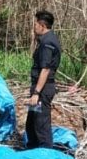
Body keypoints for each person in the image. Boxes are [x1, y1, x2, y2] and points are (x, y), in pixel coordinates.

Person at [25, 10, 61, 149]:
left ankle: (46, 157)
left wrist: (36, 93)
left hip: (42, 90)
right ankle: (32, 154)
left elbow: (45, 69)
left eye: (35, 24)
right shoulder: (45, 40)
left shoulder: (47, 43)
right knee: (31, 124)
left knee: (41, 126)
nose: (34, 27)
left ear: (42, 25)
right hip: (38, 88)